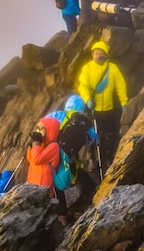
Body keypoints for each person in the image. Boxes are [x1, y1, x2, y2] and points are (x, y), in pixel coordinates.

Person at [77, 40, 128, 175]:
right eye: (96, 52)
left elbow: (120, 86)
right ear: (93, 54)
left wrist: (124, 103)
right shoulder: (87, 68)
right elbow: (83, 85)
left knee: (110, 134)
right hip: (94, 109)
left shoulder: (112, 68)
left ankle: (108, 156)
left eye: (101, 52)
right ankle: (93, 159)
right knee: (94, 136)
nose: (98, 55)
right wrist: (88, 99)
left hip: (110, 109)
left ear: (105, 54)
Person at [45, 95, 97, 225]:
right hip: (70, 158)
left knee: (57, 184)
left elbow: (44, 125)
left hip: (55, 154)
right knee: (77, 173)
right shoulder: (85, 120)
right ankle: (92, 191)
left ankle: (62, 215)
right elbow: (93, 139)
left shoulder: (58, 115)